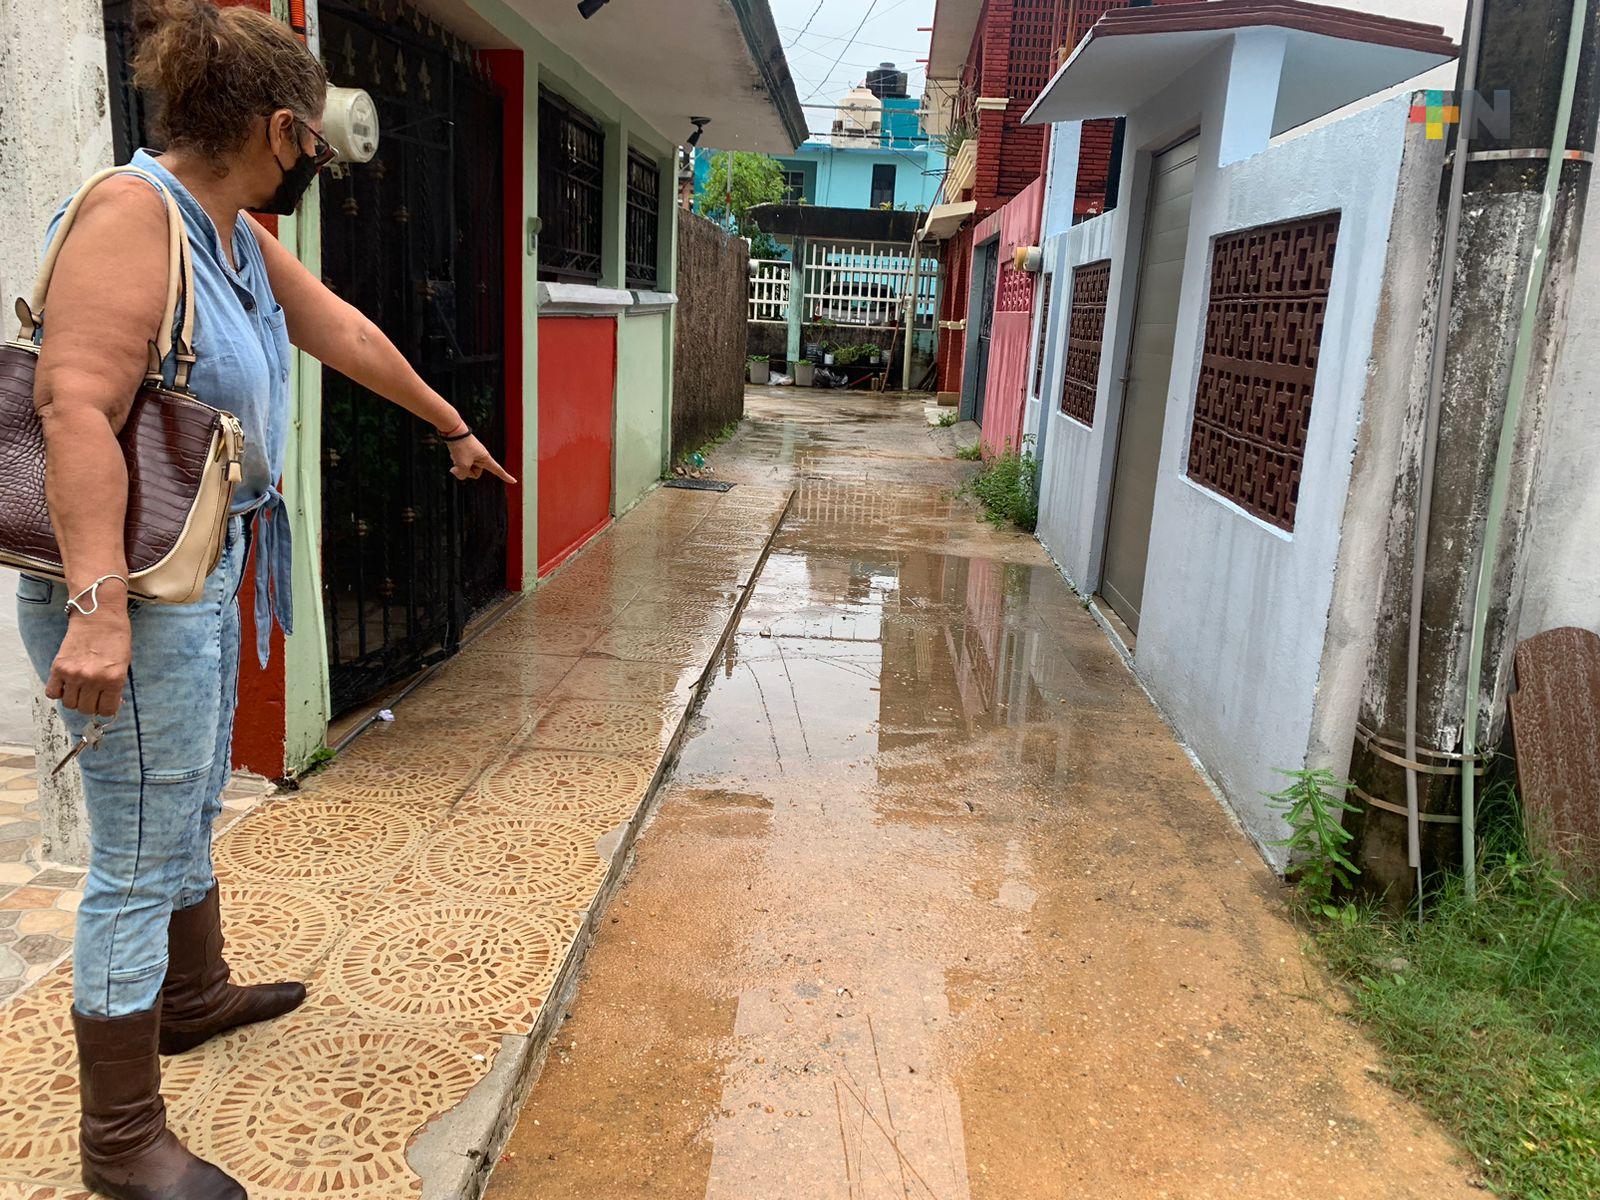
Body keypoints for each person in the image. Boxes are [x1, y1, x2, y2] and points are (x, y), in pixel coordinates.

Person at [14, 1, 514, 1195]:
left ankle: (190, 994)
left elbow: (336, 325)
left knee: (181, 802)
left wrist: (449, 426)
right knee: (135, 852)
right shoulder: (136, 216)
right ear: (281, 126)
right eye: (312, 144)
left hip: (210, 560)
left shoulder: (228, 229)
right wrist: (97, 608)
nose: (316, 167)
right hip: (138, 581)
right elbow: (72, 406)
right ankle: (120, 1140)